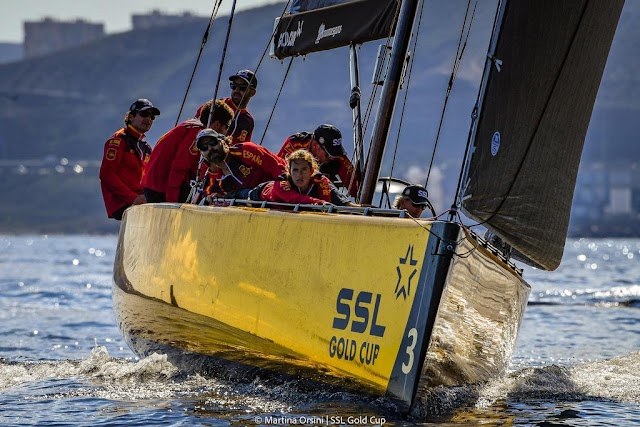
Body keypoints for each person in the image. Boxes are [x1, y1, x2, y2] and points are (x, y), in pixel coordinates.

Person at [142, 100, 234, 203]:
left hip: (156, 184)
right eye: (226, 126)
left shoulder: (191, 126)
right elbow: (179, 168)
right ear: (217, 124)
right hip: (160, 188)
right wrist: (172, 203)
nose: (226, 132)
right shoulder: (197, 134)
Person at [99, 98, 159, 220]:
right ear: (130, 117)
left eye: (152, 117)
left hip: (141, 202)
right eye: (144, 114)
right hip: (125, 204)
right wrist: (133, 198)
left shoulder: (146, 147)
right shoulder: (118, 141)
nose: (148, 119)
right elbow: (106, 174)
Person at [232, 149, 352, 206]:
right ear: (289, 171)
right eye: (295, 170)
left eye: (304, 170)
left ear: (311, 171)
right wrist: (318, 202)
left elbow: (326, 204)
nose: (299, 175)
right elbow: (294, 198)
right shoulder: (281, 184)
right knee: (238, 195)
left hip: (290, 207)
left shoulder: (321, 181)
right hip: (258, 195)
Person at [195, 128, 286, 199]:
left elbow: (278, 169)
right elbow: (210, 194)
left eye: (213, 143)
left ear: (222, 142)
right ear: (202, 154)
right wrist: (214, 197)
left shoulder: (246, 151)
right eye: (204, 147)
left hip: (282, 194)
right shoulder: (216, 179)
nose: (210, 148)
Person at [277, 124, 360, 198]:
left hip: (321, 199)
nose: (332, 157)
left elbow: (355, 183)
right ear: (315, 146)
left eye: (335, 153)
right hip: (289, 196)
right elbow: (276, 171)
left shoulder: (337, 156)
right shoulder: (294, 144)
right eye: (329, 153)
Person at [196, 69, 257, 145]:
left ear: (252, 92)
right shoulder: (215, 106)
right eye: (234, 86)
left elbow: (245, 148)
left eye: (242, 87)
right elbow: (193, 129)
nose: (237, 90)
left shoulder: (248, 121)